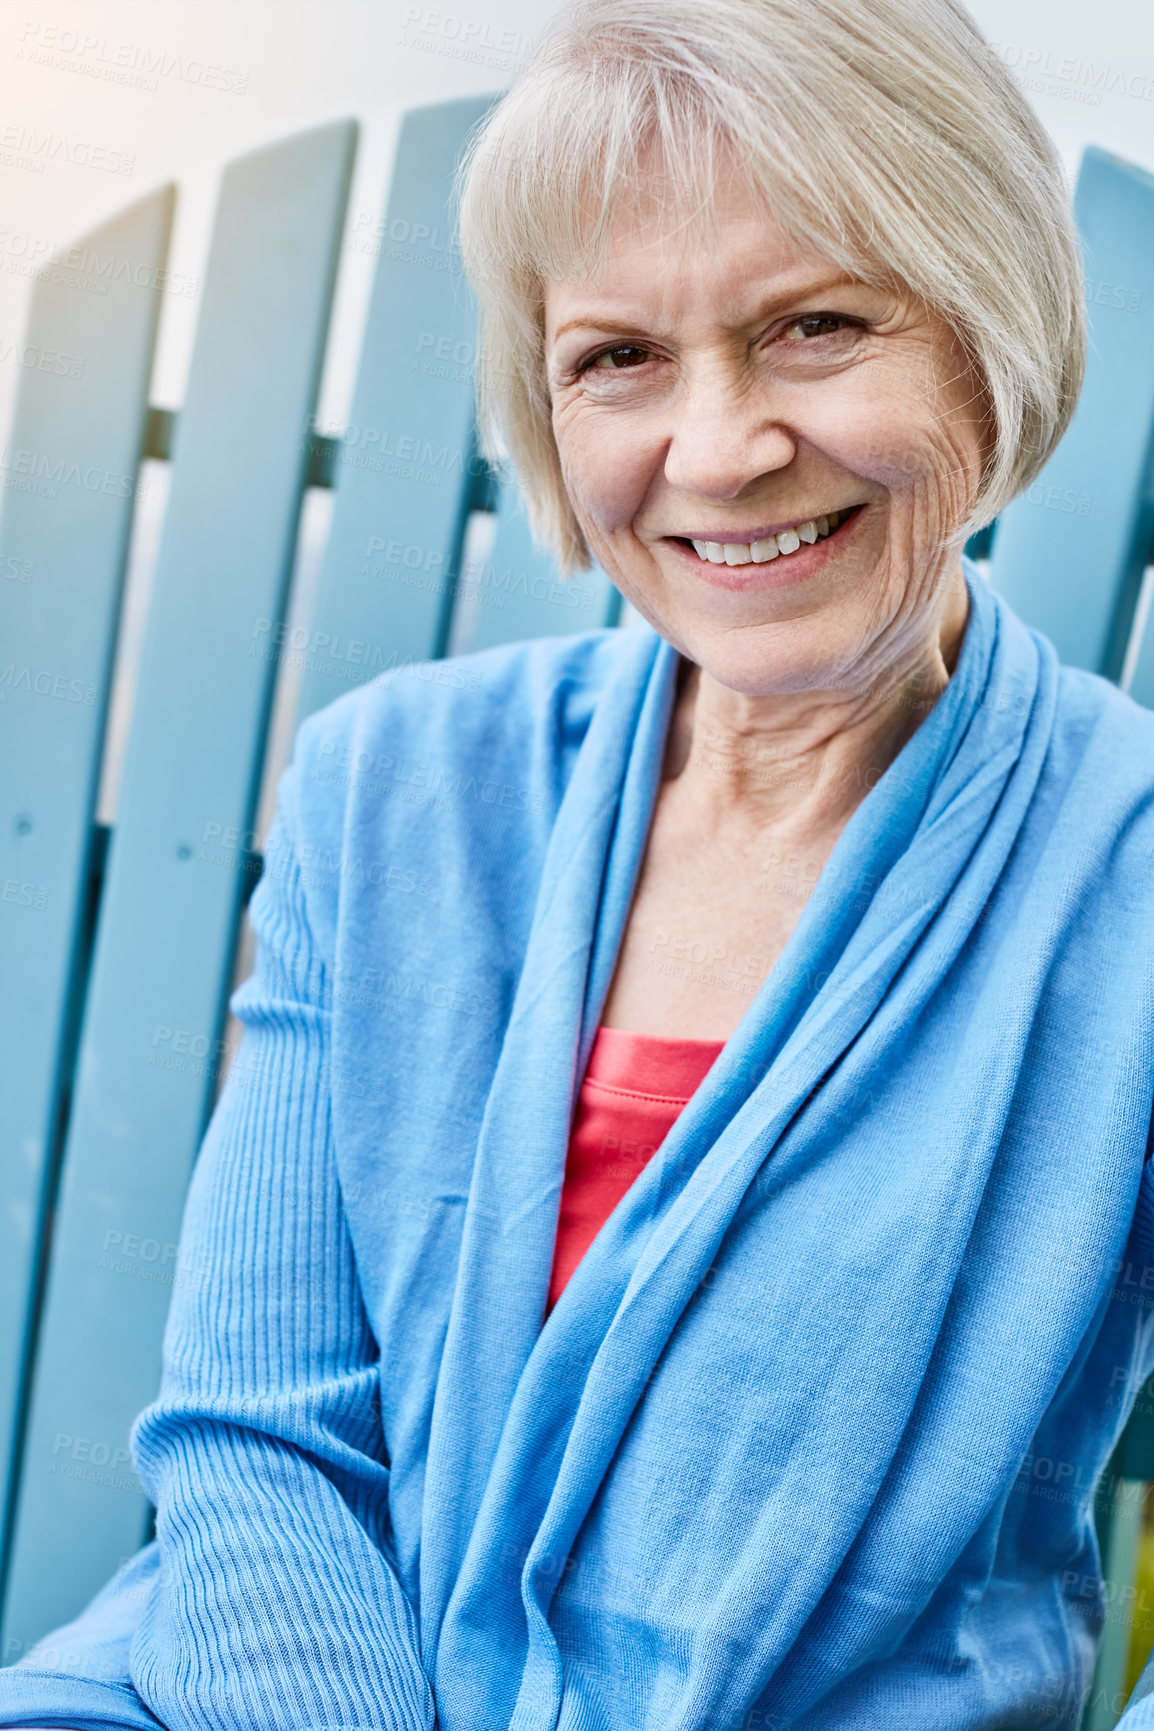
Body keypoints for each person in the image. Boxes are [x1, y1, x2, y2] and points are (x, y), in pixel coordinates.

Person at [5, 0, 1154, 1725]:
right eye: (618, 358)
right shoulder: (388, 786)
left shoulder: (1119, 875)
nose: (716, 450)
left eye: (817, 325)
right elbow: (260, 1440)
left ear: (989, 334)